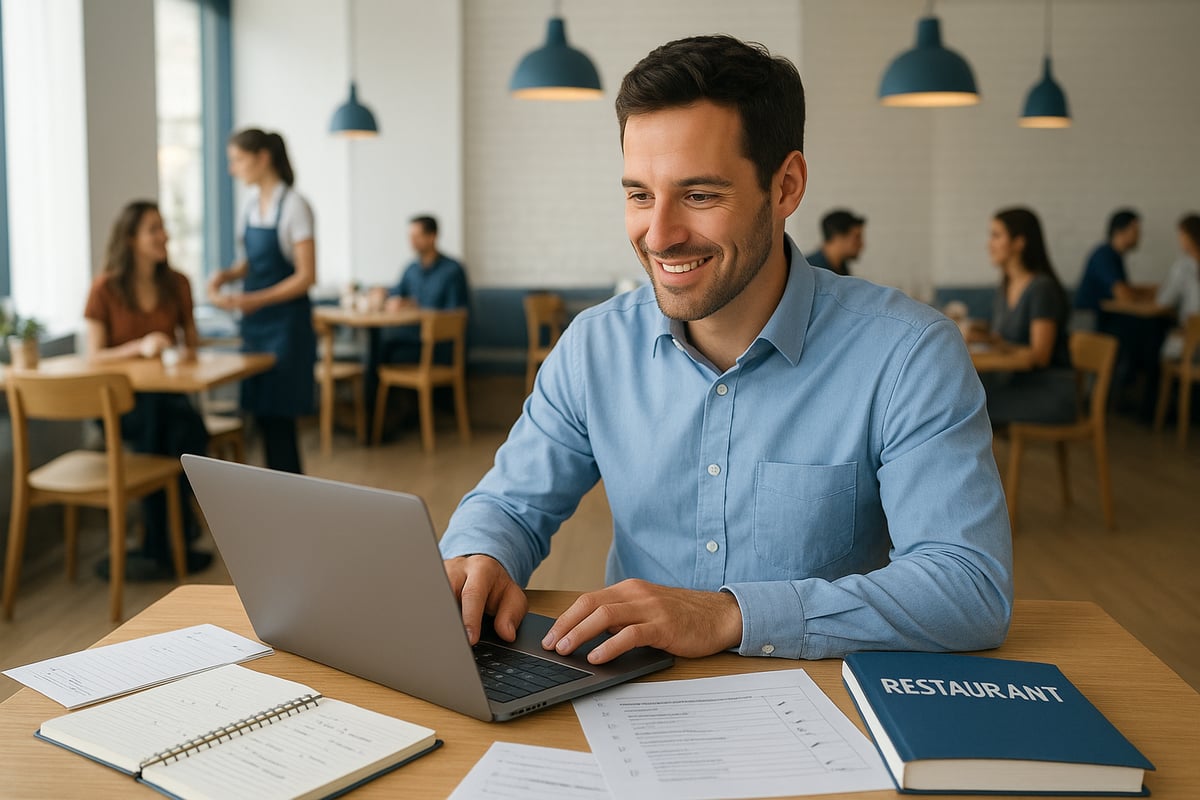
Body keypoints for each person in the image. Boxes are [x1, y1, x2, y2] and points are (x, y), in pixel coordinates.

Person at [438, 35, 1012, 665]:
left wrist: (728, 615)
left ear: (786, 186)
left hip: (823, 704)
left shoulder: (908, 355)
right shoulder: (594, 346)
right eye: (639, 194)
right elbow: (510, 502)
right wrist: (482, 554)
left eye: (700, 195)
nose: (659, 235)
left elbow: (968, 588)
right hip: (631, 693)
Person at [84, 201, 211, 579]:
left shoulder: (178, 284)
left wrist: (179, 352)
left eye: (163, 228)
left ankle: (157, 542)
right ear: (131, 239)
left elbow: (192, 347)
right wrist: (139, 347)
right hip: (119, 410)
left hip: (167, 401)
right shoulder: (104, 289)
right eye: (153, 229)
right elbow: (95, 356)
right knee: (179, 428)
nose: (164, 236)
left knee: (176, 425)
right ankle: (174, 535)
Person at [208, 129, 316, 474]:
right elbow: (250, 264)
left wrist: (255, 299)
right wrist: (226, 276)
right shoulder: (251, 206)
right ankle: (270, 500)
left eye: (237, 160)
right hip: (256, 325)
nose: (232, 169)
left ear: (262, 158)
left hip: (286, 326)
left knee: (279, 419)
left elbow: (306, 275)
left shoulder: (295, 205)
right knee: (258, 416)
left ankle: (291, 501)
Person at [974, 208, 1076, 425]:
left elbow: (1040, 356)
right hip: (1018, 385)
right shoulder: (1006, 286)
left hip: (1049, 392)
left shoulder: (1041, 288)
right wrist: (982, 337)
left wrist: (995, 343)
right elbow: (1003, 339)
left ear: (1019, 242)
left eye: (996, 235)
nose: (989, 244)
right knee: (963, 395)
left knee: (967, 405)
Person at [1075, 210, 1167, 418]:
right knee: (1151, 333)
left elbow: (1124, 292)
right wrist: (1143, 293)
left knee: (1152, 330)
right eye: (1135, 230)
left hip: (1107, 320)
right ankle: (1144, 405)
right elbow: (1123, 294)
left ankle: (1140, 400)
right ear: (1121, 231)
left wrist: (1145, 291)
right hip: (1091, 322)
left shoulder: (1115, 257)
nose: (1139, 236)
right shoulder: (1104, 255)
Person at [1155, 214, 1200, 362]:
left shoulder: (1183, 267)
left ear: (1188, 237)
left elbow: (1164, 302)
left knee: (1152, 338)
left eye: (1181, 235)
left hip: (1192, 343)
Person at [805, 209, 865, 276]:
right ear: (838, 237)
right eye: (857, 237)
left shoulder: (841, 268)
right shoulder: (807, 270)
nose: (861, 244)